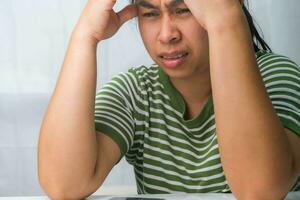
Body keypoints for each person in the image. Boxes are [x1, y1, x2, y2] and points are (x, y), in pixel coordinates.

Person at [38, 0, 300, 199]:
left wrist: (227, 21)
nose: (166, 35)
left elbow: (260, 190)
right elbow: (64, 185)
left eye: (184, 9)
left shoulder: (276, 75)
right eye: (150, 13)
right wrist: (84, 38)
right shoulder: (137, 91)